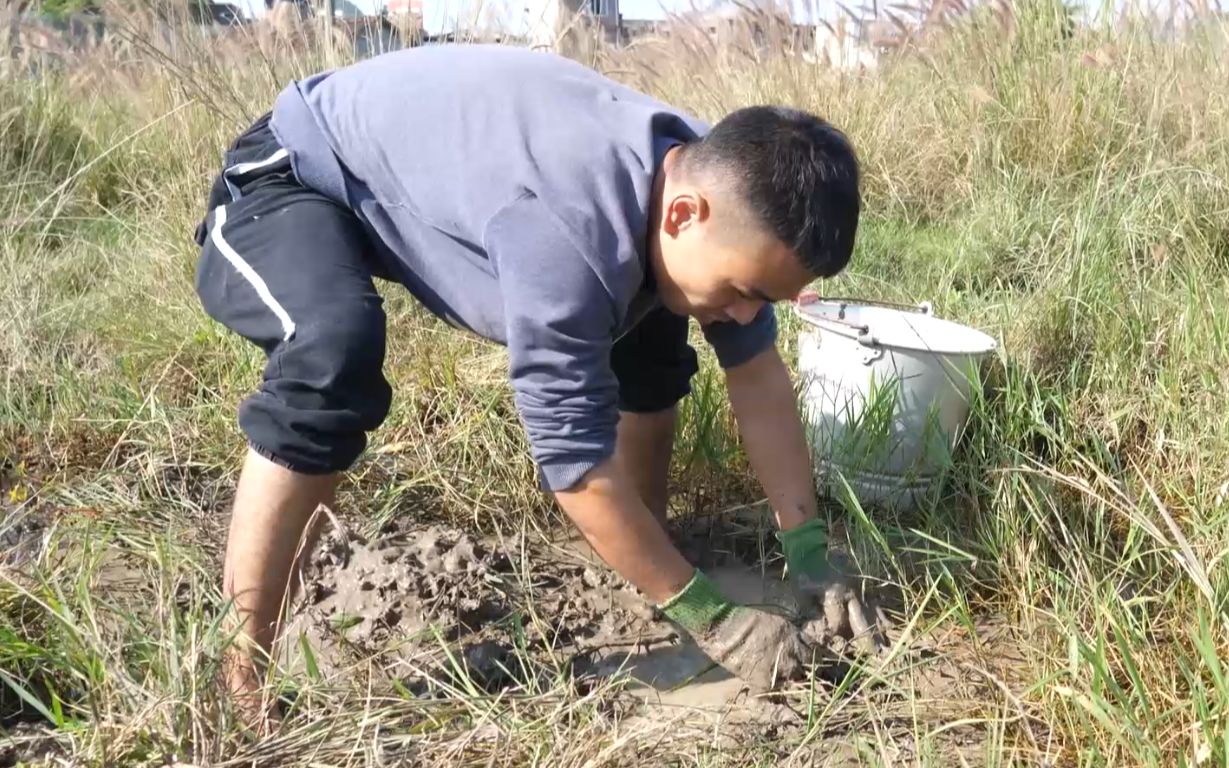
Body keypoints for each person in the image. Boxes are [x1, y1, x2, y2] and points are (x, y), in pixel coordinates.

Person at [191, 43, 878, 724]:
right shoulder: (568, 232)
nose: (745, 314)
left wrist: (808, 549)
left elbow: (757, 376)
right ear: (682, 214)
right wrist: (715, 621)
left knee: (660, 315)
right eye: (745, 290)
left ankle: (634, 564)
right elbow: (574, 465)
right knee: (331, 359)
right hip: (298, 172)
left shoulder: (719, 183)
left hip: (458, 176)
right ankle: (240, 674)